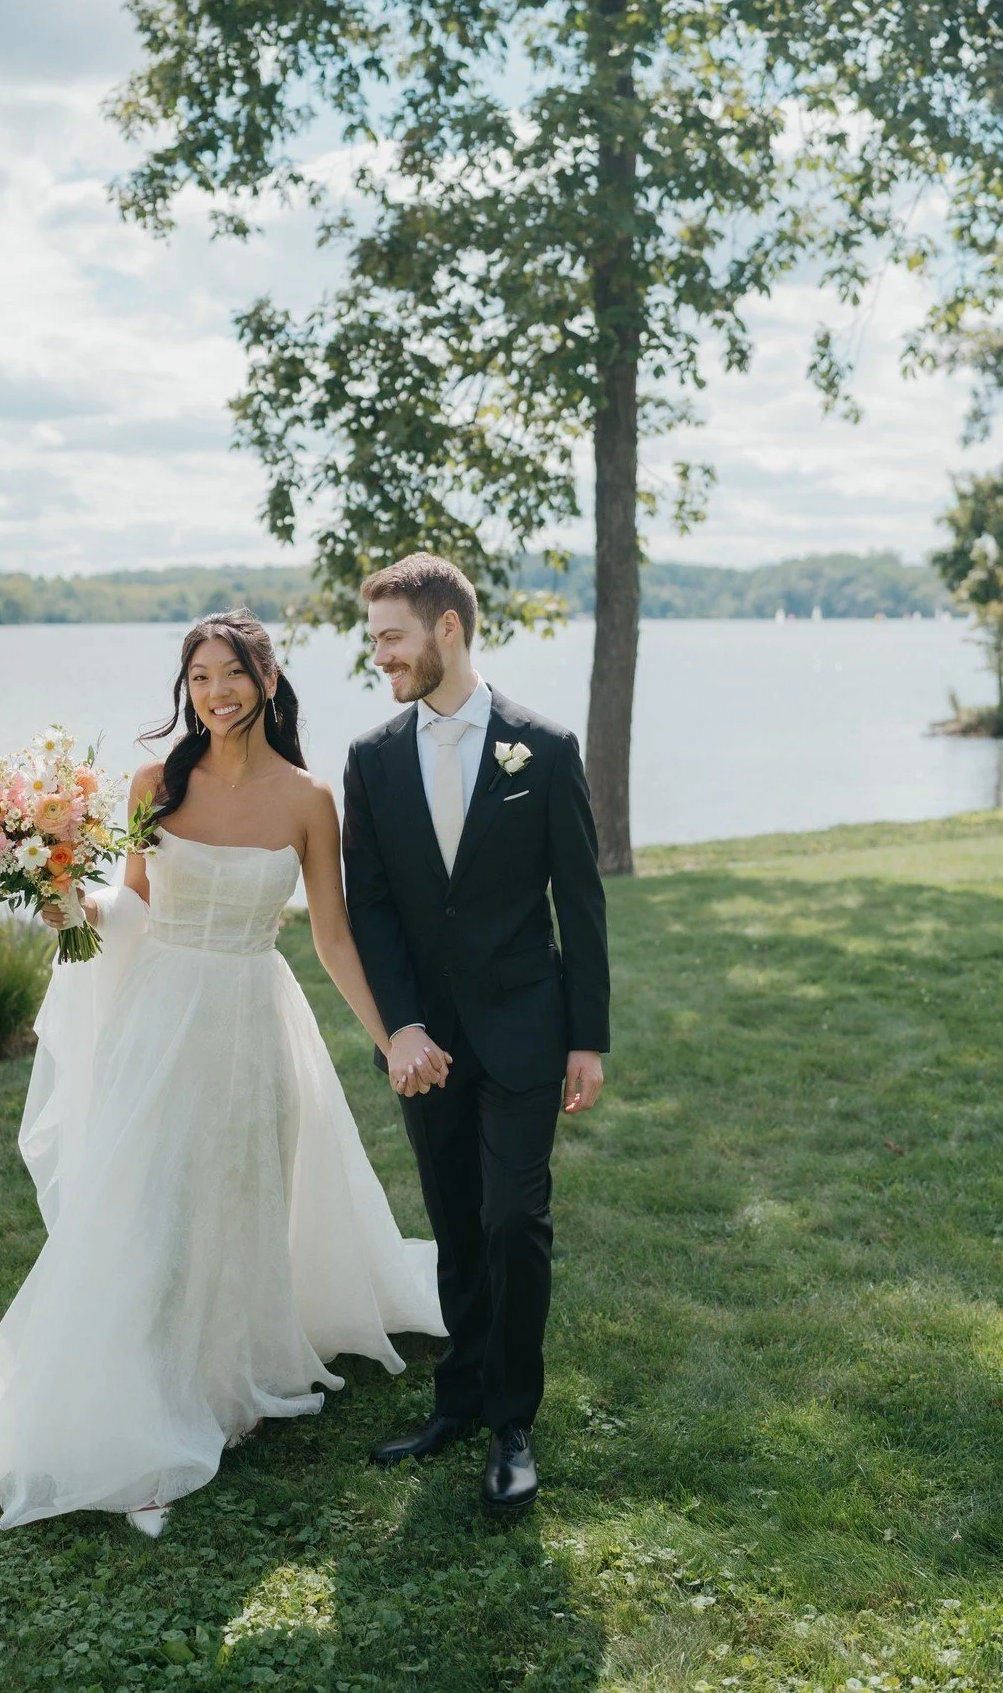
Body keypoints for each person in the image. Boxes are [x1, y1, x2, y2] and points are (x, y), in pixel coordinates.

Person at [0, 610, 443, 1536]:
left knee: (235, 1200)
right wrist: (74, 907)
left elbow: (331, 937)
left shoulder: (309, 800)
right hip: (159, 1018)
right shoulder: (153, 784)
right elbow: (136, 904)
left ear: (268, 681)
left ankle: (226, 1374)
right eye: (199, 677)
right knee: (149, 1206)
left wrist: (395, 1034)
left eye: (232, 673)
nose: (215, 692)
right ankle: (141, 1406)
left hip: (251, 1021)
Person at [341, 554, 610, 1515]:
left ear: (446, 629)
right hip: (425, 1043)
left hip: (528, 1028)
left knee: (512, 1220)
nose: (379, 656)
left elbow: (581, 902)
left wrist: (588, 1037)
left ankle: (512, 1424)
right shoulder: (371, 759)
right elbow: (371, 909)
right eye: (375, 639)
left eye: (391, 637)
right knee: (455, 1219)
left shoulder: (545, 747)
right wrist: (400, 1028)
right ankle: (456, 1401)